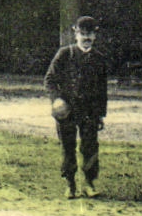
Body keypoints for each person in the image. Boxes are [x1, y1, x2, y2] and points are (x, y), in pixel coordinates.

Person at [45, 15, 108, 199]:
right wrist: (56, 100)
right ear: (76, 34)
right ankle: (70, 184)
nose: (86, 38)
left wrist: (100, 115)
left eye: (90, 34)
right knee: (68, 146)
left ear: (95, 36)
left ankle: (89, 183)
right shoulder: (65, 54)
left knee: (90, 147)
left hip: (89, 112)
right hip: (67, 110)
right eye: (83, 34)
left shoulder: (99, 59)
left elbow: (102, 90)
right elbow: (49, 79)